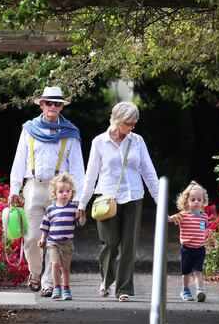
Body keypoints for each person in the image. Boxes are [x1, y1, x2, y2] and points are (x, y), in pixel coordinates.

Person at [78, 101, 159, 302]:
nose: (131, 127)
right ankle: (107, 280)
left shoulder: (137, 141)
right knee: (109, 243)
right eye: (128, 123)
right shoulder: (99, 142)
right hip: (105, 198)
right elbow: (91, 174)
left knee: (129, 245)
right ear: (116, 120)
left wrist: (161, 201)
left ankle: (124, 288)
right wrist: (82, 204)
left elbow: (149, 172)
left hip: (133, 196)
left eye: (134, 124)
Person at [9, 86, 85, 297]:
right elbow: (19, 160)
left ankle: (48, 281)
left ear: (61, 107)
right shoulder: (29, 129)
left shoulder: (70, 132)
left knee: (56, 239)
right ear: (41, 104)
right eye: (49, 103)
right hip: (33, 185)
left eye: (57, 103)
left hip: (59, 189)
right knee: (33, 237)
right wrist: (14, 189)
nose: (52, 107)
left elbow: (78, 167)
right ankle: (34, 273)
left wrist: (79, 199)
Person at [37, 172, 85, 300]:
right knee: (55, 264)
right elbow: (45, 226)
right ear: (55, 194)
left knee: (65, 268)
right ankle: (56, 287)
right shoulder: (51, 210)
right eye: (61, 191)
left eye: (68, 191)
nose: (65, 194)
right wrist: (42, 239)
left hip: (67, 243)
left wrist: (82, 217)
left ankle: (66, 288)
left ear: (72, 192)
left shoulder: (73, 208)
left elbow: (79, 223)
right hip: (53, 243)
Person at [168, 181, 209, 302]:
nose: (196, 202)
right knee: (186, 271)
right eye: (193, 199)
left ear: (203, 202)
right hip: (187, 249)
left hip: (200, 248)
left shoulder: (204, 217)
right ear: (187, 202)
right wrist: (166, 218)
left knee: (198, 270)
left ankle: (199, 290)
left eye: (199, 199)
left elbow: (204, 231)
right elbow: (171, 219)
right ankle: (185, 290)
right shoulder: (183, 215)